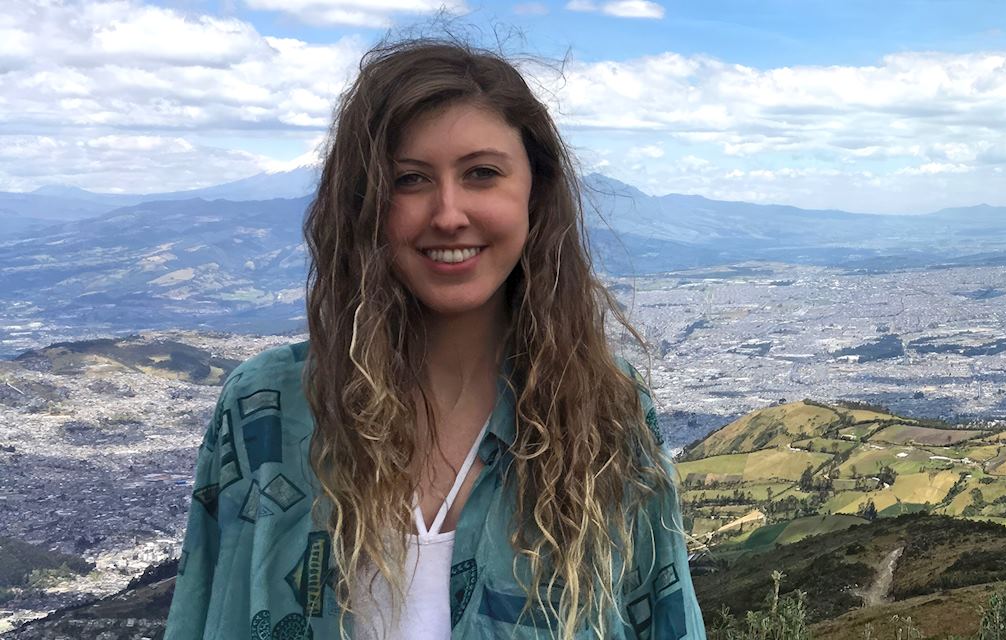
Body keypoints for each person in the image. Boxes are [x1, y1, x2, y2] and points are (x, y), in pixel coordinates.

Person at [164, 37, 704, 639]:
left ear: (536, 194)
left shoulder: (608, 414)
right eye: (410, 179)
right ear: (363, 204)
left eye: (481, 174)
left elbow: (665, 620)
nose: (448, 213)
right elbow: (202, 611)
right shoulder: (266, 409)